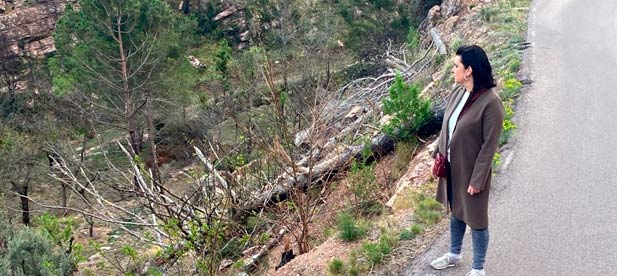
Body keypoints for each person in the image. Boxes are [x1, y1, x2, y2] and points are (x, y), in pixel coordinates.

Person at [429, 45, 505, 276]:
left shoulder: (491, 103)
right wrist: (436, 153)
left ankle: (478, 269)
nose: (453, 70)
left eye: (456, 66)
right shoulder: (458, 93)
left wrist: (478, 180)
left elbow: (488, 146)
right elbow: (447, 128)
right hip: (453, 167)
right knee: (457, 211)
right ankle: (454, 255)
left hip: (472, 171)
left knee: (477, 220)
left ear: (469, 70)